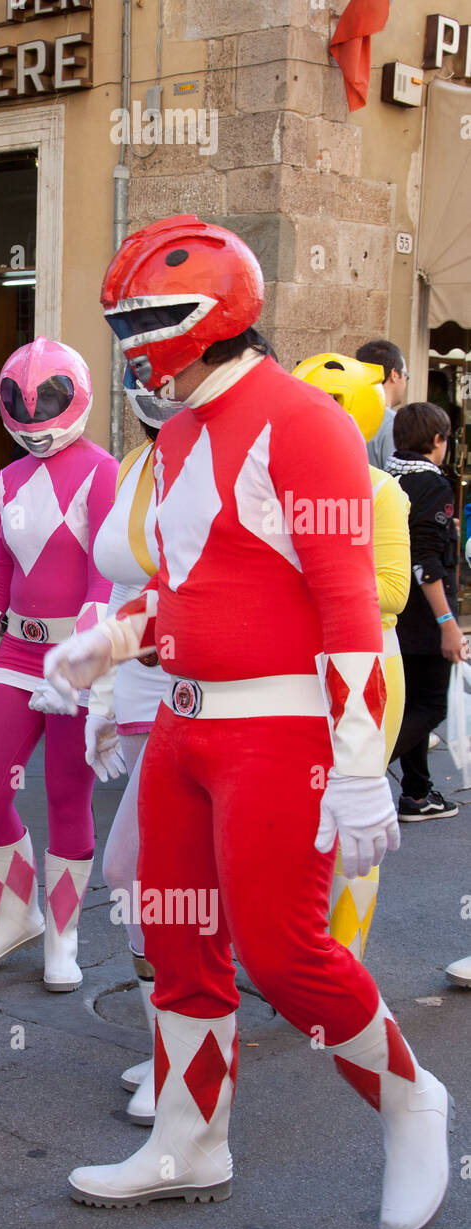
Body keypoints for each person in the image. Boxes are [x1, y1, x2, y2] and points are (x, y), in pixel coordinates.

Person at [47, 214, 449, 1229]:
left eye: (142, 319)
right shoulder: (180, 426)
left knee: (285, 954)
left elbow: (347, 603)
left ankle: (413, 1103)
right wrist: (111, 648)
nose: (132, 341)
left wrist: (360, 767)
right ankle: (190, 1137)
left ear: (200, 317)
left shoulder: (298, 420)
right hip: (183, 730)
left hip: (278, 734)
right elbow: (198, 587)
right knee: (177, 939)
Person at [0, 337, 118, 991]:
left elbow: (105, 582)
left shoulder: (102, 472)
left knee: (69, 797)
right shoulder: (6, 480)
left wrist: (78, 662)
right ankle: (17, 914)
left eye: (48, 412)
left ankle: (62, 936)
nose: (37, 431)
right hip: (18, 652)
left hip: (78, 662)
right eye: (24, 415)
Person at [291, 353, 411, 959]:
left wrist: (326, 581)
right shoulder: (276, 487)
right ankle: (306, 957)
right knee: (303, 822)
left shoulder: (381, 490)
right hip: (293, 671)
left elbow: (393, 590)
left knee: (352, 827)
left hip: (368, 668)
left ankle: (345, 964)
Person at [92, 366, 181, 1122]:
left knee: (140, 874)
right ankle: (173, 1049)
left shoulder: (218, 467)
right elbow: (116, 585)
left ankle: (181, 1060)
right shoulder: (138, 460)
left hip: (201, 692)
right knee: (145, 880)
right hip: (140, 688)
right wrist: (98, 694)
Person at [383, 401, 469, 820]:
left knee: (409, 700)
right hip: (422, 616)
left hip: (394, 613)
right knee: (430, 705)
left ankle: (417, 792)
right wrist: (447, 624)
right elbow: (426, 562)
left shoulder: (386, 475)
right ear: (438, 440)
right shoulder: (431, 486)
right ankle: (367, 766)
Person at [356, 339, 410, 470]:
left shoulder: (346, 414)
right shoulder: (395, 423)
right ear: (395, 374)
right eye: (406, 376)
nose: (406, 382)